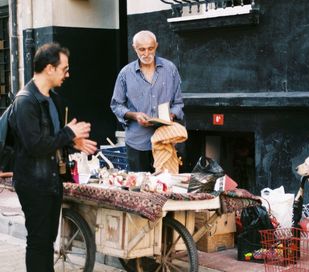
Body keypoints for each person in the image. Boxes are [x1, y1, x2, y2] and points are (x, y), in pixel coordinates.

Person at [8, 43, 97, 272]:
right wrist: (68, 133)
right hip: (33, 182)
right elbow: (35, 145)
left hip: (51, 180)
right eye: (64, 69)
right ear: (50, 68)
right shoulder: (26, 101)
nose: (68, 74)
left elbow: (51, 137)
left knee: (47, 241)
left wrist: (72, 142)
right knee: (38, 242)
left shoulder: (53, 99)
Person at [111, 30, 184, 172]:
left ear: (156, 46)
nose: (146, 53)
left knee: (165, 188)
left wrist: (171, 115)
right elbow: (116, 105)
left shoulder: (170, 69)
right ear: (134, 48)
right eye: (141, 49)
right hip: (137, 141)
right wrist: (135, 115)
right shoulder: (125, 74)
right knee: (139, 189)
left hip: (165, 140)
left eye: (150, 48)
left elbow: (178, 103)